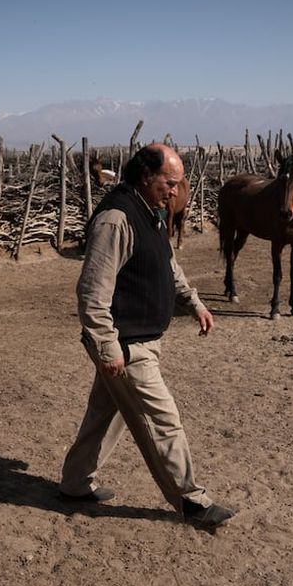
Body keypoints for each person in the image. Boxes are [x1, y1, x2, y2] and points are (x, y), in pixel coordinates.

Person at [59, 143, 235, 529]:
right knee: (163, 420)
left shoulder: (150, 212)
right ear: (145, 176)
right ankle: (192, 500)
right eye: (169, 183)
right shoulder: (116, 219)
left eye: (178, 183)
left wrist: (195, 304)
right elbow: (92, 290)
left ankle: (74, 483)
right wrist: (107, 346)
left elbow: (168, 267)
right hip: (125, 343)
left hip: (135, 340)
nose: (175, 191)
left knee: (106, 415)